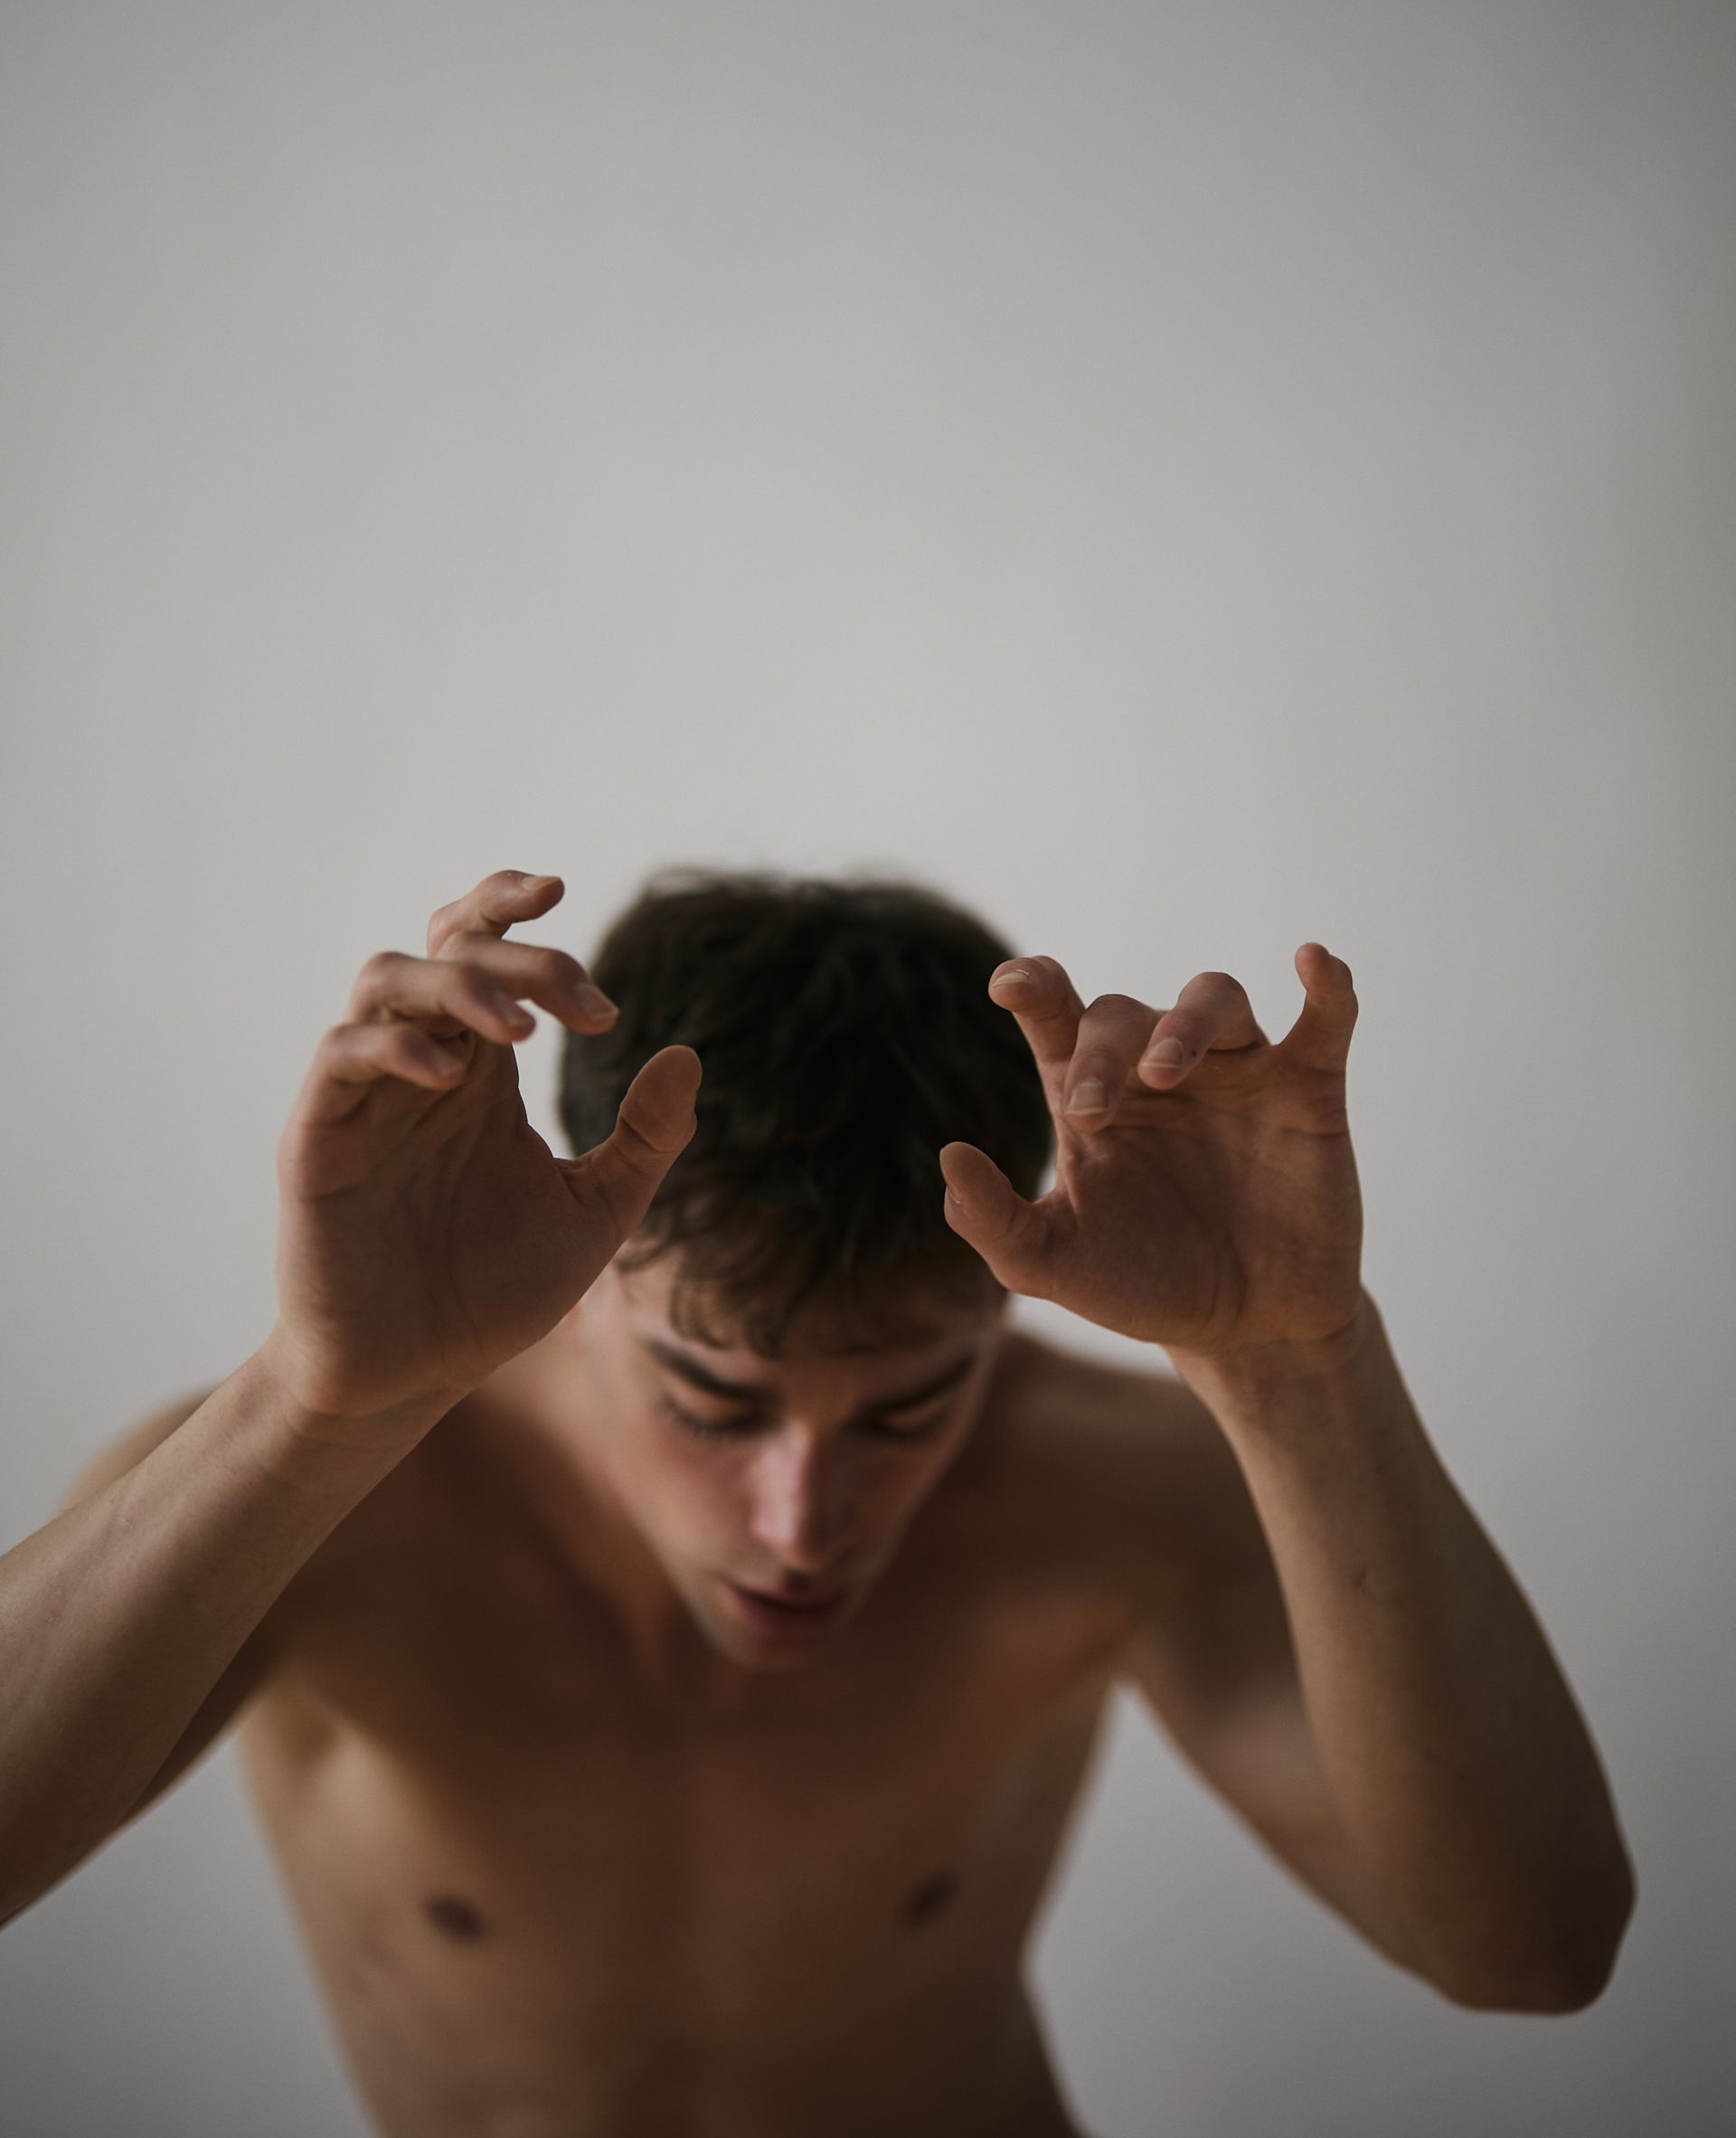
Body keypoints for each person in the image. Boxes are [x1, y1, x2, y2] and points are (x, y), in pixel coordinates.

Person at [1, 866, 1635, 2136]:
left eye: (912, 1407)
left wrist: (1301, 1366)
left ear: (1003, 1316)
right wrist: (314, 1398)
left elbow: (1532, 1954)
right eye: (716, 1402)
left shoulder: (1105, 1490)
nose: (805, 1519)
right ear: (583, 1280)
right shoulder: (329, 1490)